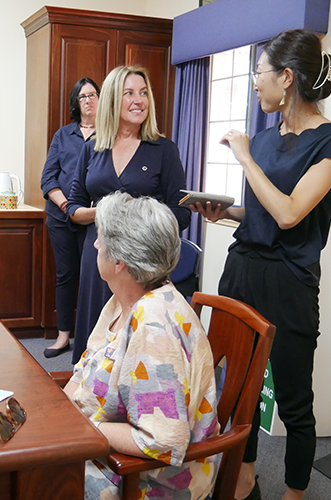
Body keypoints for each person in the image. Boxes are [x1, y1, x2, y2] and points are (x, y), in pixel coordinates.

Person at [192, 30, 331, 500]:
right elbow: (263, 210)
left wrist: (243, 159)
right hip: (243, 268)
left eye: (259, 73)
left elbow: (289, 213)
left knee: (293, 400)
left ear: (287, 78)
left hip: (289, 280)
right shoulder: (264, 140)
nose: (254, 83)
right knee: (237, 389)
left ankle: (295, 493)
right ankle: (245, 480)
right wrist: (225, 212)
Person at [65, 192, 218, 500]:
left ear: (119, 260)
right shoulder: (123, 299)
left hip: (143, 479)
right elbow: (85, 370)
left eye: (101, 238)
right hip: (103, 445)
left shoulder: (154, 326)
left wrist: (80, 427)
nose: (95, 244)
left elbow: (164, 441)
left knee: (21, 476)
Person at [67, 65, 190, 364]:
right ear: (112, 99)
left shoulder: (163, 149)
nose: (139, 100)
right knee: (95, 344)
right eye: (129, 93)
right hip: (98, 253)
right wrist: (102, 214)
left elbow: (181, 213)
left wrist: (135, 221)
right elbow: (73, 206)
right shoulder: (93, 147)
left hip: (142, 264)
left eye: (144, 93)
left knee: (138, 353)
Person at [39, 77, 100, 358]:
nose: (88, 101)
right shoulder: (63, 136)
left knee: (94, 277)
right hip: (62, 217)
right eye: (82, 97)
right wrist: (68, 208)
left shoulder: (111, 136)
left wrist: (86, 213)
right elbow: (48, 178)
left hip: (96, 221)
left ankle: (92, 338)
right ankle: (63, 336)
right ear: (76, 103)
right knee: (66, 276)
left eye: (93, 95)